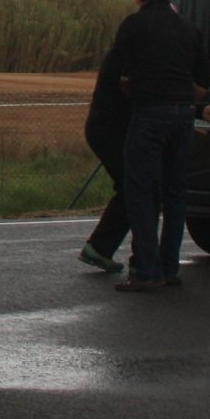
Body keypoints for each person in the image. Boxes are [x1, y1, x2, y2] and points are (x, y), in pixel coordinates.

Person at [102, 0, 210, 292]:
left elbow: (115, 73)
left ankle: (145, 270)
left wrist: (132, 90)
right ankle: (169, 267)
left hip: (148, 114)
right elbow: (206, 79)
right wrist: (182, 100)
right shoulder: (188, 28)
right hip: (182, 117)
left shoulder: (133, 25)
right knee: (175, 193)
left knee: (141, 191)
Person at [76, 47, 131, 273]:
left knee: (130, 187)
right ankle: (99, 248)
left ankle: (100, 248)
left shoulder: (125, 48)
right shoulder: (131, 53)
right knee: (133, 187)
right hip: (111, 129)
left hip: (106, 127)